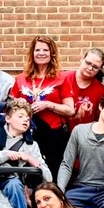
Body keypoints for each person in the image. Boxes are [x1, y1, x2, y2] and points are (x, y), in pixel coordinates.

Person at [10, 36, 71, 178]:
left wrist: (48, 105)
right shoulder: (21, 78)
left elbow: (70, 110)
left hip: (53, 135)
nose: (41, 53)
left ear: (52, 54)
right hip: (25, 134)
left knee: (51, 172)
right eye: (37, 50)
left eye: (45, 50)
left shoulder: (61, 78)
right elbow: (11, 107)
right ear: (32, 53)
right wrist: (19, 104)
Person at [62, 47, 104, 130]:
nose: (90, 68)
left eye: (95, 67)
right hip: (59, 134)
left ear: (99, 69)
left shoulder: (101, 91)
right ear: (82, 59)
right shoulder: (63, 78)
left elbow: (100, 120)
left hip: (85, 137)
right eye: (88, 63)